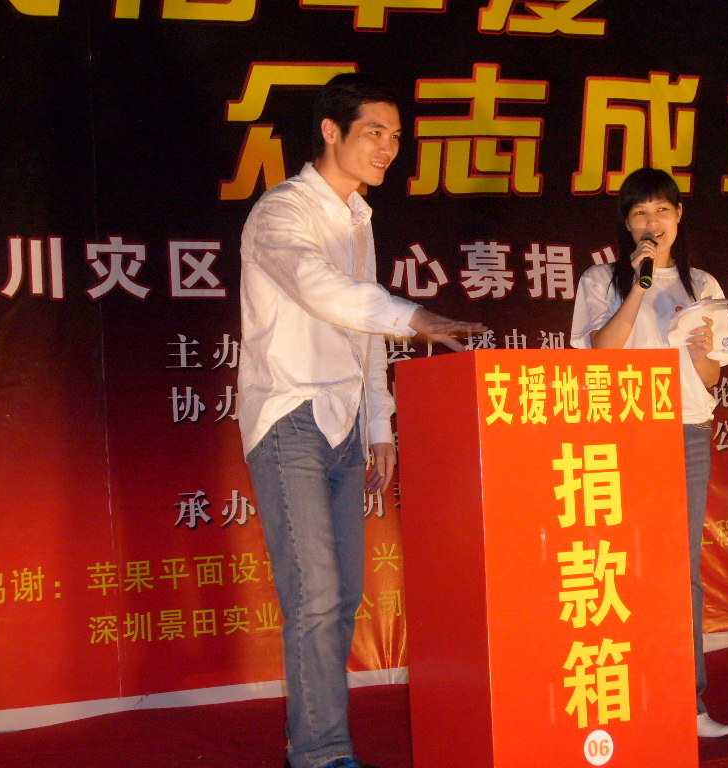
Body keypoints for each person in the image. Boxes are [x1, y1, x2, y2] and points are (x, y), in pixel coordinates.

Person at [237, 73, 485, 768]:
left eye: (395, 136)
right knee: (314, 593)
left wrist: (379, 429)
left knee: (343, 595)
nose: (388, 148)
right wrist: (413, 317)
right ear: (331, 131)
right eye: (375, 132)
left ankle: (316, 743)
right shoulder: (281, 212)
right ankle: (319, 752)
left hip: (345, 422)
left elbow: (363, 333)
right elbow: (324, 291)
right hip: (290, 415)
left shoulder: (358, 219)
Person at [570, 167, 728, 739]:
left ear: (679, 216)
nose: (652, 222)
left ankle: (687, 702)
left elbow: (712, 377)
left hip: (685, 430)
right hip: (622, 432)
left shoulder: (704, 284)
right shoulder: (601, 280)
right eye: (640, 213)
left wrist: (700, 351)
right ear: (626, 223)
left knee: (680, 570)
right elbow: (599, 355)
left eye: (662, 210)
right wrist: (638, 288)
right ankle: (626, 698)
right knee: (621, 567)